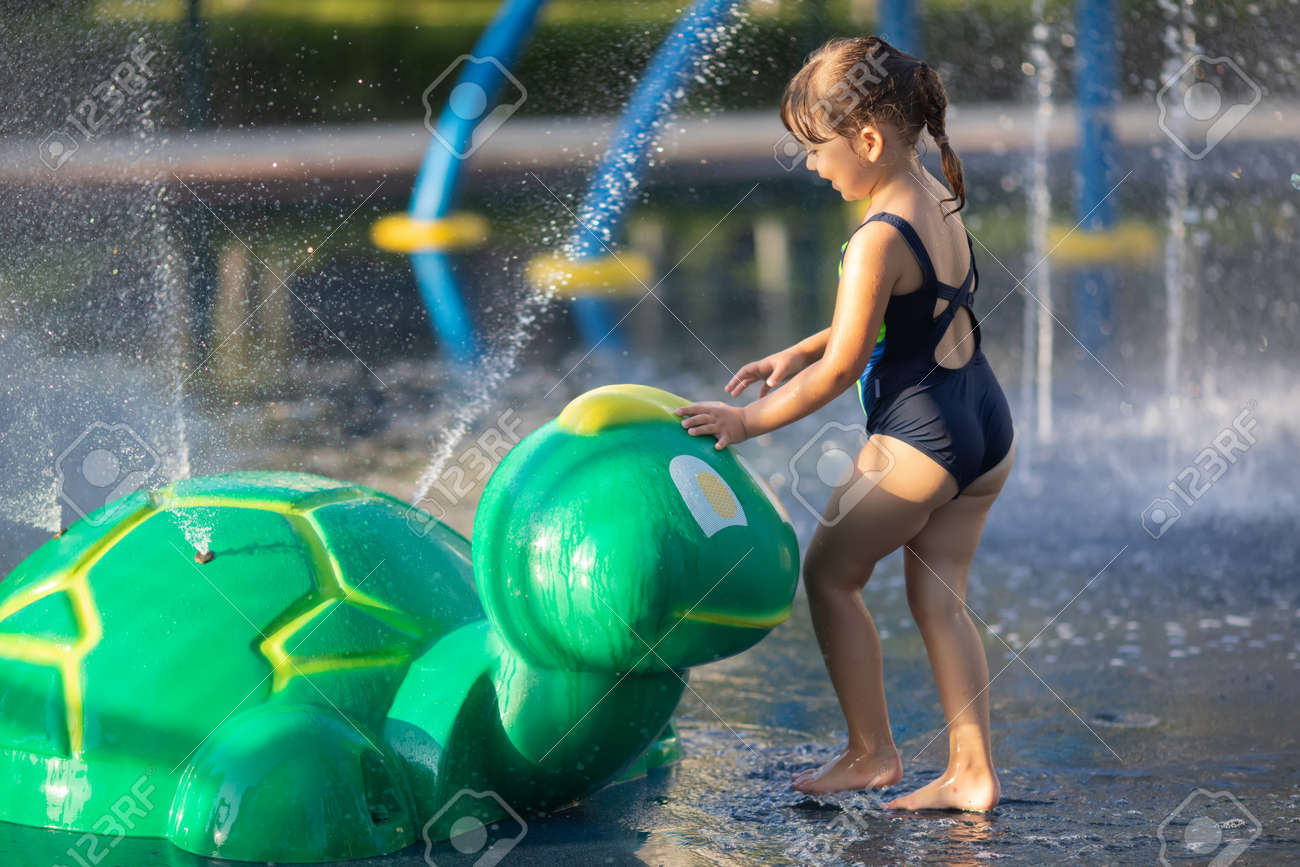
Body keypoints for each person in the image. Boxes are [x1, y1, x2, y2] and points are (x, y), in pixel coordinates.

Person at [673, 35, 1015, 812]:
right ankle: (971, 771)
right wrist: (801, 345)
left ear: (867, 140)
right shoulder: (930, 194)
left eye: (817, 150)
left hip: (919, 440)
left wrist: (745, 420)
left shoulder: (872, 238)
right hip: (983, 427)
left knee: (830, 576)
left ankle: (870, 752)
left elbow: (842, 372)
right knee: (939, 598)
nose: (812, 165)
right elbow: (907, 311)